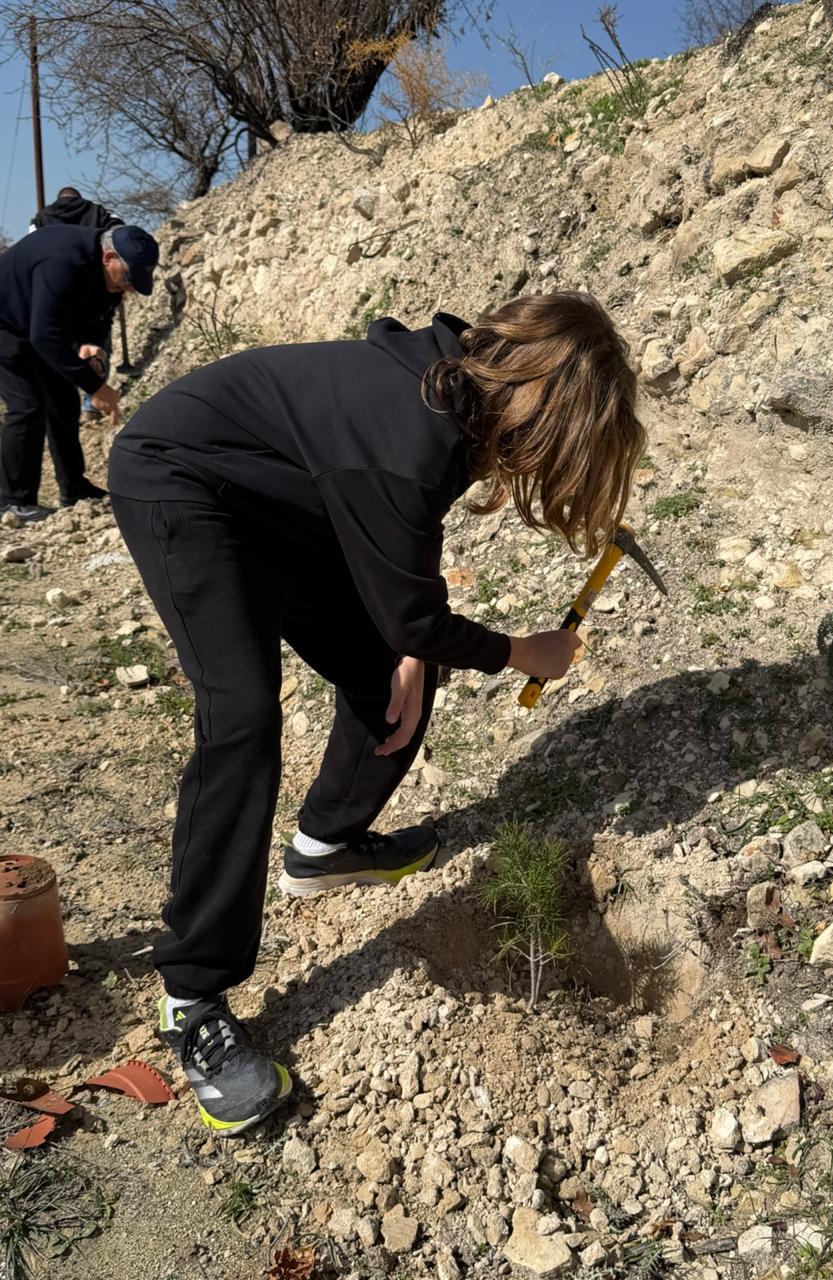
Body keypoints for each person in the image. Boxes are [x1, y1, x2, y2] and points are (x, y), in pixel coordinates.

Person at [107, 291, 646, 1136]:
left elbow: (403, 581)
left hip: (287, 494)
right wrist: (520, 652)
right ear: (540, 410)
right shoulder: (412, 438)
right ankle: (192, 997)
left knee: (395, 672)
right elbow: (409, 580)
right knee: (242, 718)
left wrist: (408, 636)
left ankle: (325, 846)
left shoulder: (457, 400)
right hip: (181, 478)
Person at [0, 223, 158, 521]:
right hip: (5, 324)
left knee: (64, 400)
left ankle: (73, 488)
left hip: (34, 325)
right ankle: (13, 501)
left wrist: (90, 344)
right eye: (128, 278)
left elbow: (100, 317)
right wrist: (96, 387)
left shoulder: (110, 277)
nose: (129, 288)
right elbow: (44, 335)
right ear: (108, 258)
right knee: (28, 404)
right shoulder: (62, 262)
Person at [30, 187, 125, 423]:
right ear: (79, 198)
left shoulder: (42, 217)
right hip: (95, 289)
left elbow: (30, 243)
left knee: (61, 346)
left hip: (55, 292)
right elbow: (119, 231)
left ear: (59, 199)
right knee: (97, 346)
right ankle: (91, 403)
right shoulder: (98, 211)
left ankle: (66, 397)